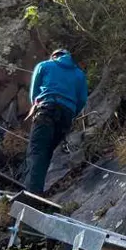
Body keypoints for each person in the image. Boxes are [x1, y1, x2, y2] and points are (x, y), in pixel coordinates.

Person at [23, 49, 88, 194]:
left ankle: (31, 192)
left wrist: (37, 105)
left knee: (37, 151)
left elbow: (34, 94)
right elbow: (82, 99)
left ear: (54, 57)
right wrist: (71, 113)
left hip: (47, 110)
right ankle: (35, 191)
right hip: (66, 116)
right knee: (46, 152)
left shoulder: (44, 66)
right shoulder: (79, 74)